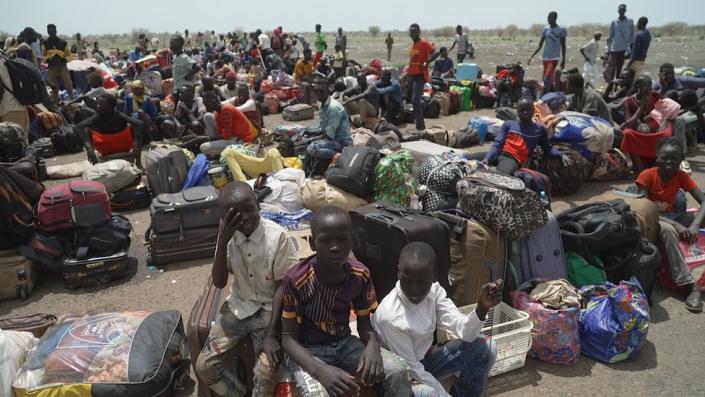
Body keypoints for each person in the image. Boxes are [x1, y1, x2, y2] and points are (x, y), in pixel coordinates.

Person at [281, 206, 412, 397]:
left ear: (352, 241)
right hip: (308, 349)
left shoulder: (360, 274)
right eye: (325, 240)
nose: (335, 247)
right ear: (312, 243)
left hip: (344, 343)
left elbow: (364, 326)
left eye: (342, 239)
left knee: (398, 371)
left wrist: (373, 346)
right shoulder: (296, 279)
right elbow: (288, 339)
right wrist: (320, 371)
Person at [195, 181, 299, 397]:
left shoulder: (277, 237)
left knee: (265, 373)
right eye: (234, 214)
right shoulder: (227, 238)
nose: (244, 217)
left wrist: (271, 335)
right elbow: (220, 281)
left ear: (258, 205)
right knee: (204, 366)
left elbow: (282, 286)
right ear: (223, 217)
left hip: (271, 312)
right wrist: (222, 242)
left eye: (249, 209)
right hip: (239, 307)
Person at [372, 242, 500, 397]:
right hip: (398, 377)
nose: (414, 290)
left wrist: (481, 308)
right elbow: (410, 367)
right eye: (407, 281)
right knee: (431, 393)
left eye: (421, 283)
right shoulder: (390, 316)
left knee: (486, 348)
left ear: (434, 276)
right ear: (399, 273)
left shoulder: (435, 292)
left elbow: (465, 332)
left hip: (423, 361)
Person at [634, 137, 704, 312]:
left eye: (674, 158)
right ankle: (688, 284)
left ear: (681, 160)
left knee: (699, 216)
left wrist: (694, 224)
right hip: (652, 221)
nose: (669, 162)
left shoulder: (680, 175)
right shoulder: (647, 175)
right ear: (657, 157)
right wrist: (677, 225)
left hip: (675, 216)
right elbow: (643, 209)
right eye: (665, 157)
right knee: (668, 230)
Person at [483, 97, 561, 175]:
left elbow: (547, 148)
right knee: (472, 161)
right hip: (498, 154)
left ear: (533, 110)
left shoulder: (539, 129)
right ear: (517, 111)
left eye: (528, 109)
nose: (525, 112)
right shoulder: (509, 124)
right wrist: (487, 158)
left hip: (512, 160)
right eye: (522, 110)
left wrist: (559, 155)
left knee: (500, 177)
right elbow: (497, 143)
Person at [76, 93, 143, 167]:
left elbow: (139, 123)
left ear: (110, 106)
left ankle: (138, 163)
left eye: (101, 104)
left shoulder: (119, 115)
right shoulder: (98, 116)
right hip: (106, 148)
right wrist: (89, 148)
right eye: (98, 104)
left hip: (122, 146)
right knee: (86, 128)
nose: (98, 106)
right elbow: (78, 127)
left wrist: (135, 142)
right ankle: (96, 166)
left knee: (134, 126)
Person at [307, 77, 352, 161]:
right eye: (316, 91)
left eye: (321, 91)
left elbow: (329, 135)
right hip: (332, 139)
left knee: (312, 148)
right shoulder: (322, 105)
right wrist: (307, 132)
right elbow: (322, 128)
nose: (318, 94)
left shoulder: (333, 108)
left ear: (328, 91)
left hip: (341, 143)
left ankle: (338, 155)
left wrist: (311, 139)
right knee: (305, 133)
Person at [201, 91, 257, 157]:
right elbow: (221, 133)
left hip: (241, 140)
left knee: (203, 147)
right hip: (232, 136)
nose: (206, 108)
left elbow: (225, 136)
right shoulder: (218, 113)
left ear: (213, 101)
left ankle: (235, 152)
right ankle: (216, 149)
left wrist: (205, 138)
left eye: (206, 105)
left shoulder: (226, 110)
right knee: (207, 116)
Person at [407, 23, 438, 131]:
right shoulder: (412, 46)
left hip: (420, 75)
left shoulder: (423, 43)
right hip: (412, 75)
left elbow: (436, 52)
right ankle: (418, 122)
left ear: (419, 32)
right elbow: (411, 62)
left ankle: (420, 126)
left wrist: (426, 63)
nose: (413, 34)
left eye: (415, 32)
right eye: (411, 32)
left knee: (415, 99)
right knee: (414, 100)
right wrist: (407, 76)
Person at [528, 11, 567, 93]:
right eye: (547, 17)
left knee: (547, 77)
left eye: (549, 18)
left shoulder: (561, 30)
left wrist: (563, 60)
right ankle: (550, 93)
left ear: (554, 18)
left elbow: (563, 45)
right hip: (545, 57)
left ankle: (543, 96)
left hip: (554, 57)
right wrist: (531, 56)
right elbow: (540, 45)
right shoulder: (546, 29)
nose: (547, 19)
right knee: (548, 78)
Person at [42, 23, 74, 103]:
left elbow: (69, 55)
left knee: (68, 86)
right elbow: (43, 55)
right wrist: (48, 60)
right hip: (52, 67)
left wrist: (65, 59)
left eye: (52, 32)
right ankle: (56, 105)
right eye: (49, 32)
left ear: (56, 31)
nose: (50, 33)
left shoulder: (63, 42)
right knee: (54, 88)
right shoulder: (45, 43)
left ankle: (73, 102)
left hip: (62, 67)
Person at [604, 4, 634, 84]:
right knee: (612, 67)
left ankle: (616, 86)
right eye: (620, 10)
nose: (622, 11)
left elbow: (631, 35)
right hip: (614, 48)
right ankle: (610, 85)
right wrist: (607, 51)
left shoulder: (630, 21)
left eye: (623, 10)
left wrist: (631, 49)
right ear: (618, 11)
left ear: (625, 11)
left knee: (620, 69)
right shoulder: (614, 22)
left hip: (624, 48)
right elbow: (611, 36)